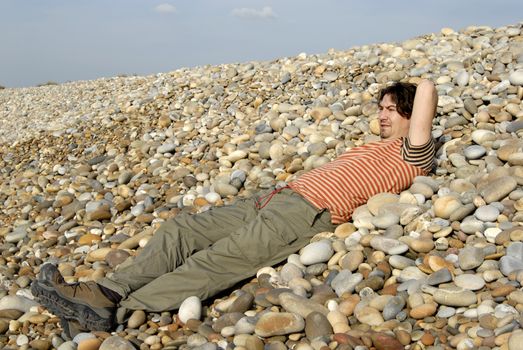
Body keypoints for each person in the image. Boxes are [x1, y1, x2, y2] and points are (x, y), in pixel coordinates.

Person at [31, 79, 438, 337]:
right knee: (181, 231)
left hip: (305, 213)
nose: (382, 116)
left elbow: (427, 91)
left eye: (391, 109)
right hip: (273, 198)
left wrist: (418, 85)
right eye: (380, 108)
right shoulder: (371, 146)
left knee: (213, 262)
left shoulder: (413, 153)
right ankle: (102, 293)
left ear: (410, 112)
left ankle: (115, 316)